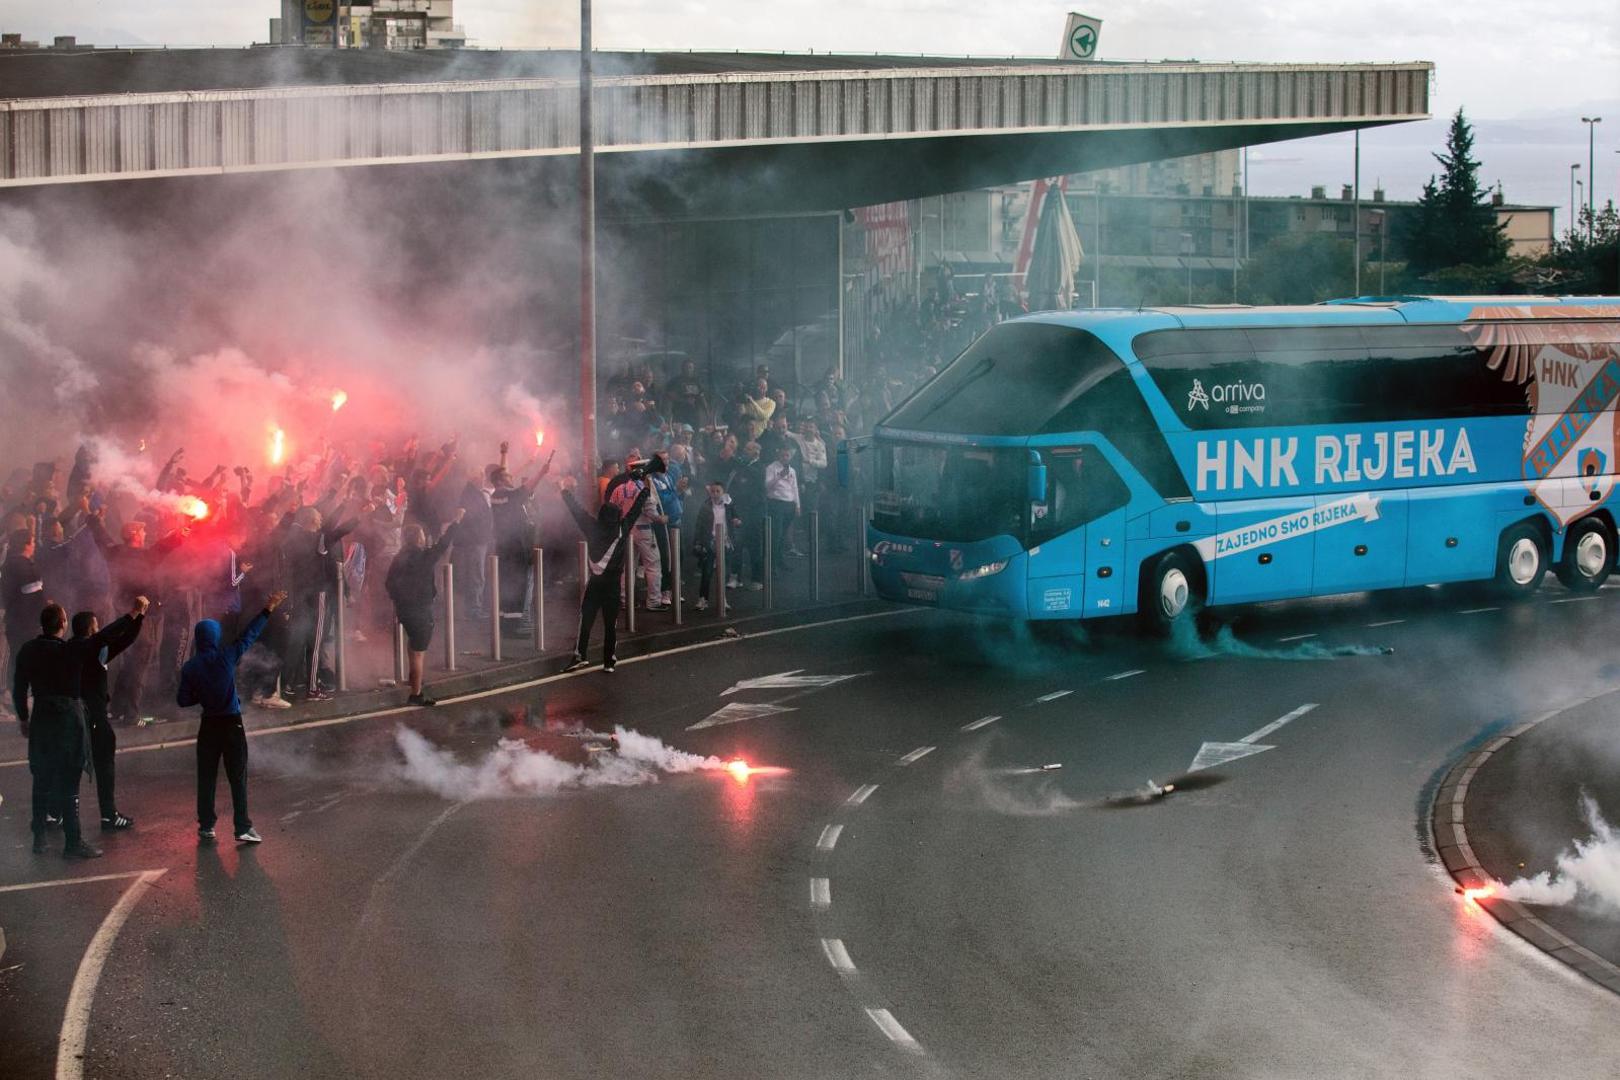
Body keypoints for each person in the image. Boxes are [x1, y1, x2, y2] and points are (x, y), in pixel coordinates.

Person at [13, 596, 149, 858]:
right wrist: (133, 614)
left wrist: (23, 718)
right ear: (63, 624)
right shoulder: (70, 651)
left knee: (41, 778)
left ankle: (39, 838)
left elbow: (20, 687)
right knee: (69, 780)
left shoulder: (28, 650)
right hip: (68, 718)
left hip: (41, 715)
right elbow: (107, 636)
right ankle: (73, 843)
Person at [177, 589, 288, 844]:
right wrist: (268, 608)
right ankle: (242, 827)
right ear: (215, 637)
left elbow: (182, 700)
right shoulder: (226, 657)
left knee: (206, 777)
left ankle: (206, 825)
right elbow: (250, 634)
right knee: (237, 777)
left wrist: (203, 696)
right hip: (231, 724)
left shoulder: (190, 667)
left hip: (208, 726)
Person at [560, 474, 650, 673]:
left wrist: (565, 491)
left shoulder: (591, 527)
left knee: (586, 619)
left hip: (596, 582)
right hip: (613, 584)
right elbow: (635, 510)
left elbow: (577, 511)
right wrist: (645, 488)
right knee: (611, 623)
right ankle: (609, 660)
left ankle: (580, 655)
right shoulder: (622, 529)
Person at [71, 608, 147, 831]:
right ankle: (108, 815)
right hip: (94, 716)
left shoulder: (68, 648)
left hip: (73, 715)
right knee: (104, 765)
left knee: (71, 765)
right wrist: (137, 614)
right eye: (95, 625)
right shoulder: (96, 649)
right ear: (90, 629)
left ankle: (59, 813)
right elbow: (125, 639)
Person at [385, 510, 465, 706]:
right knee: (419, 652)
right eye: (421, 535)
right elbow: (443, 544)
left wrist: (399, 600)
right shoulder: (424, 557)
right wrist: (456, 522)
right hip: (421, 610)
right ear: (418, 539)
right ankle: (416, 694)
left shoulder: (399, 558)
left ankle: (415, 681)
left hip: (404, 610)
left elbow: (389, 583)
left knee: (413, 648)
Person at [691, 481, 737, 612]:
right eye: (713, 491)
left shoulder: (729, 505)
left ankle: (723, 599)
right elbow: (699, 525)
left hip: (725, 541)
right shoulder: (705, 506)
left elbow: (735, 517)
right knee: (707, 572)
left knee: (724, 572)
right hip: (709, 542)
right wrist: (698, 542)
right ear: (709, 492)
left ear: (723, 492)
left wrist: (736, 521)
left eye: (718, 491)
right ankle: (703, 599)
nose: (715, 494)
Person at [763, 444, 801, 571]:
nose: (785, 457)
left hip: (789, 504)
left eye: (787, 455)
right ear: (778, 455)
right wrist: (779, 476)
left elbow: (795, 488)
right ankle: (772, 564)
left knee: (783, 535)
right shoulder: (771, 468)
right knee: (776, 535)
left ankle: (780, 560)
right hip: (776, 503)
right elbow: (767, 486)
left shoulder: (792, 470)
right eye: (783, 455)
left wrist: (797, 504)